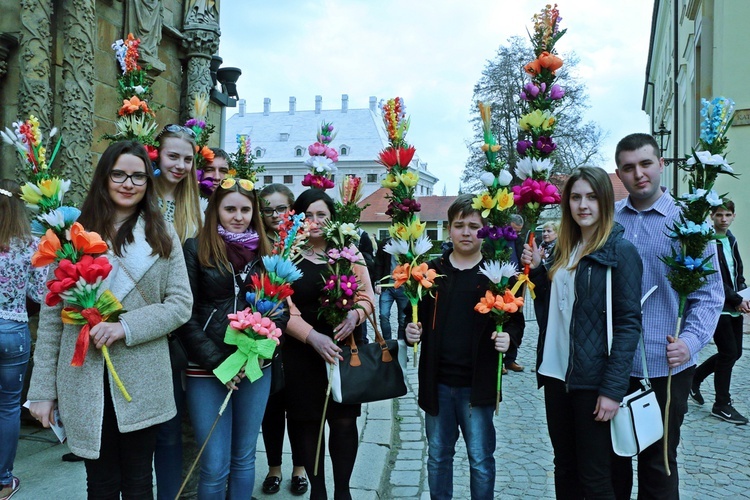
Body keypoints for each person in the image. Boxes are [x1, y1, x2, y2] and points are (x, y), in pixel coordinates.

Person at [28, 140, 193, 498]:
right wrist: (42, 392)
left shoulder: (162, 233)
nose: (128, 183)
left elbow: (180, 304)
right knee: (100, 483)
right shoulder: (70, 237)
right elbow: (53, 319)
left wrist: (125, 326)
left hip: (142, 376)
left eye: (138, 176)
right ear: (104, 178)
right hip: (83, 375)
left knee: (137, 481)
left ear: (148, 183)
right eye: (119, 174)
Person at [611, 133, 723, 499]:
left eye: (645, 164)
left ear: (661, 164)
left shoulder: (690, 225)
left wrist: (690, 343)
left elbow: (709, 295)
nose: (638, 174)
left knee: (658, 465)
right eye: (629, 168)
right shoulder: (609, 220)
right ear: (619, 173)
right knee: (611, 463)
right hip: (612, 364)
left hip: (665, 365)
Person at [521, 166, 643, 499]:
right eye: (575, 197)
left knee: (595, 475)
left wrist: (613, 389)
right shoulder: (564, 249)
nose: (583, 205)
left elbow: (629, 323)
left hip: (593, 382)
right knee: (565, 467)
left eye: (591, 197)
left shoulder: (620, 252)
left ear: (605, 201)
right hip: (556, 375)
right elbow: (553, 312)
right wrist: (537, 275)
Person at [404, 194, 518, 500]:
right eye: (459, 225)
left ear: (484, 231)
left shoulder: (496, 276)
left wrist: (510, 342)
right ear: (449, 230)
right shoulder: (432, 272)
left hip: (476, 386)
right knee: (439, 456)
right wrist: (410, 331)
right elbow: (413, 315)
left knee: (480, 460)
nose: (466, 232)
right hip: (438, 382)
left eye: (473, 225)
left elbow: (513, 321)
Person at [179, 177, 282, 499]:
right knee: (213, 463)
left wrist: (262, 341)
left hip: (255, 366)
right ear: (216, 211)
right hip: (205, 367)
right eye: (230, 209)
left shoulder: (268, 253)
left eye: (245, 209)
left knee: (244, 456)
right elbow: (185, 314)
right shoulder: (196, 249)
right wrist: (219, 361)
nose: (238, 216)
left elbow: (281, 309)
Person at [284, 189, 375, 500]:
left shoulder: (348, 253)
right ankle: (318, 491)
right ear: (297, 218)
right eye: (307, 215)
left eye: (321, 215)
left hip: (343, 346)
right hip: (302, 348)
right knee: (308, 422)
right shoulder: (287, 254)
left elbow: (367, 296)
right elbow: (284, 306)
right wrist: (311, 336)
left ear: (332, 218)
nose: (314, 222)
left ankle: (343, 491)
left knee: (344, 422)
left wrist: (355, 316)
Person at [153, 123, 204, 499]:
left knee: (179, 420)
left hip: (181, 316)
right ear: (157, 153)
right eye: (173, 156)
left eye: (187, 158)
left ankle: (178, 491)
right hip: (145, 311)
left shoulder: (194, 203)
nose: (180, 165)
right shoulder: (142, 192)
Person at [257, 183, 309, 496]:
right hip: (266, 338)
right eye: (269, 209)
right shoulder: (256, 245)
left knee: (300, 406)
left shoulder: (303, 243)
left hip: (301, 339)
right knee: (271, 407)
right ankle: (274, 467)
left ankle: (300, 467)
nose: (276, 215)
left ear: (292, 211)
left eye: (281, 208)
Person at [0, 180, 47, 500]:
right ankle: (3, 481)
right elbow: (41, 294)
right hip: (13, 331)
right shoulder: (30, 246)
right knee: (7, 408)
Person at [691, 200, 749, 424]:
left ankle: (695, 378)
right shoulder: (709, 242)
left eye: (727, 215)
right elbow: (714, 279)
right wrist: (735, 299)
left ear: (734, 216)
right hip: (717, 305)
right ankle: (721, 404)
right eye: (719, 215)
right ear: (711, 217)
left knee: (736, 353)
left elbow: (737, 273)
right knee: (728, 353)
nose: (723, 219)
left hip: (733, 304)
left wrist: (743, 296)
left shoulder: (731, 239)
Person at [373, 237, 409, 342]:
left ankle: (400, 347)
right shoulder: (385, 244)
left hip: (404, 286)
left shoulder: (409, 243)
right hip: (387, 286)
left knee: (403, 319)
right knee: (384, 315)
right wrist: (378, 281)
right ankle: (388, 345)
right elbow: (378, 264)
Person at [504, 213, 527, 374]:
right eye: (513, 230)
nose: (515, 234)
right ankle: (497, 362)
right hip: (501, 287)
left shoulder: (519, 241)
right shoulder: (495, 240)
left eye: (518, 231)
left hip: (517, 288)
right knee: (500, 323)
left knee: (516, 324)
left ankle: (510, 359)